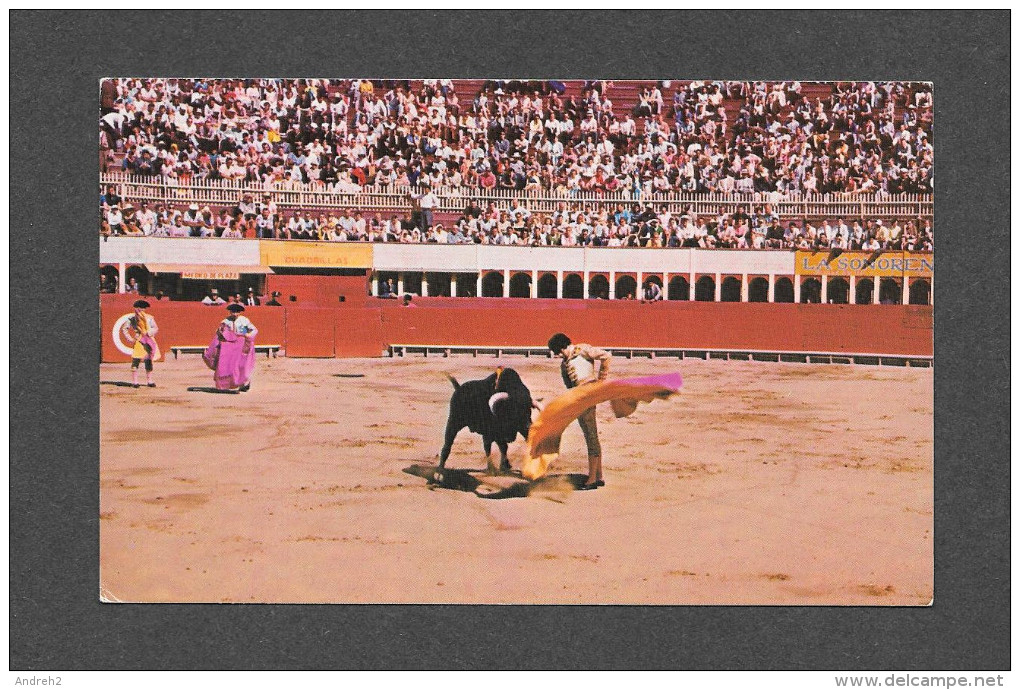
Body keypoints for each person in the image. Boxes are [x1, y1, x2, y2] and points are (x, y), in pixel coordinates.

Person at [547, 332, 612, 490]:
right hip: (579, 400)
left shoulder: (582, 350)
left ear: (563, 347)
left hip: (588, 397)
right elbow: (569, 387)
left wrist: (601, 380)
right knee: (591, 435)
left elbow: (606, 356)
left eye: (558, 351)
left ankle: (592, 479)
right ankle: (599, 475)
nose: (559, 355)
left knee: (591, 435)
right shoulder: (564, 364)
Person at [203, 303, 258, 392]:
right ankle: (232, 383)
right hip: (228, 347)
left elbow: (254, 330)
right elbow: (219, 332)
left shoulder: (244, 320)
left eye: (237, 312)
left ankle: (244, 383)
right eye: (233, 312)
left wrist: (248, 335)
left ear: (240, 312)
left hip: (241, 345)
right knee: (230, 365)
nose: (235, 314)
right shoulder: (225, 322)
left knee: (241, 364)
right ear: (230, 312)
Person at [122, 299, 160, 388]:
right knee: (136, 359)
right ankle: (135, 382)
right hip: (139, 340)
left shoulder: (149, 318)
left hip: (149, 339)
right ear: (136, 308)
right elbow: (124, 329)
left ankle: (149, 381)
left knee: (148, 360)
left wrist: (149, 333)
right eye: (139, 308)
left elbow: (156, 328)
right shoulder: (132, 319)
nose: (141, 310)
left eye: (143, 309)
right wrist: (130, 339)